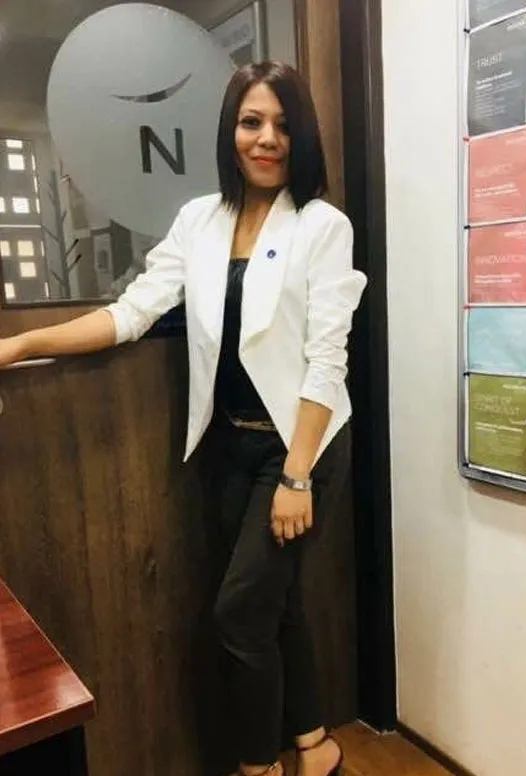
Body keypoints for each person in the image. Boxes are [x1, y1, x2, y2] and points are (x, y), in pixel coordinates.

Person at [0, 61, 366, 776]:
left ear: (303, 135)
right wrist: (20, 344)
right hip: (229, 447)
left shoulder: (323, 225)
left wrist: (297, 477)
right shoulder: (199, 220)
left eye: (283, 124)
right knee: (274, 603)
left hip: (301, 448)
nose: (267, 139)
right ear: (230, 132)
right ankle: (314, 743)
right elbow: (132, 313)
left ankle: (257, 767)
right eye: (251, 122)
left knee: (239, 616)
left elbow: (327, 359)